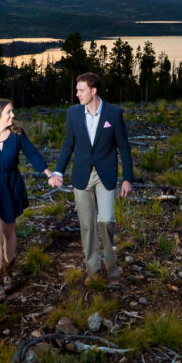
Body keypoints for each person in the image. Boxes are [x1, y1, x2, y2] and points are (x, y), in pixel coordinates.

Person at [48, 72, 133, 281]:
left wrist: (128, 178)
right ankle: (93, 270)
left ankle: (110, 262)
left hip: (105, 174)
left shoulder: (113, 114)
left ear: (93, 91)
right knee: (87, 225)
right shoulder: (73, 113)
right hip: (81, 175)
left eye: (81, 90)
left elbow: (124, 147)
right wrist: (58, 170)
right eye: (77, 90)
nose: (77, 94)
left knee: (106, 221)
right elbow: (68, 144)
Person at [0, 98, 53, 300]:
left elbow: (32, 154)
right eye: (9, 112)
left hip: (11, 186)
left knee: (9, 230)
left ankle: (9, 270)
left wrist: (49, 174)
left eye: (12, 112)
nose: (13, 116)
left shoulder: (17, 135)